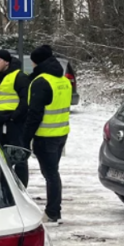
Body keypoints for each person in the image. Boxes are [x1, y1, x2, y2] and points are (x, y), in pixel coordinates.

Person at [20, 44, 72, 224]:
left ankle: (53, 212)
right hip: (61, 133)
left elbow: (35, 114)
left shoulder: (41, 82)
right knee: (52, 173)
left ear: (37, 63)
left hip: (45, 135)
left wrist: (25, 139)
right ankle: (53, 210)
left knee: (51, 174)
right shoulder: (63, 80)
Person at [0, 49, 29, 186]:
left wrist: (13, 117)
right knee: (0, 156)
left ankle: (21, 187)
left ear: (7, 62)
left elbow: (25, 101)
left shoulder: (19, 77)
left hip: (14, 124)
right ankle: (4, 186)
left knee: (18, 155)